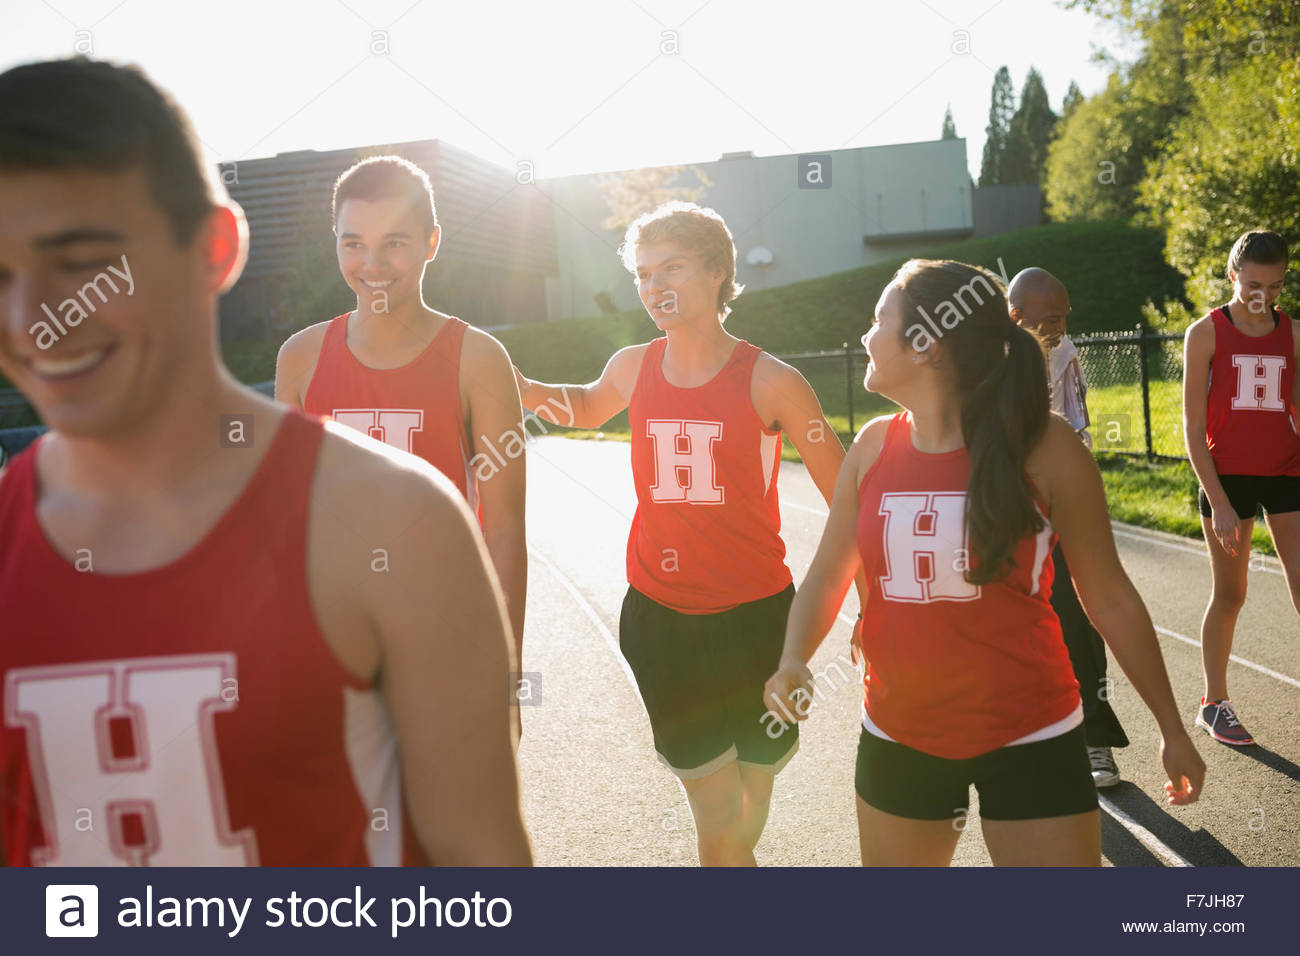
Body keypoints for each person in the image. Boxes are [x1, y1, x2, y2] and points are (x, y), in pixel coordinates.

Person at [0, 57, 531, 866]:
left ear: (213, 249)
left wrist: (499, 673)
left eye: (81, 264)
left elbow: (485, 881)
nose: (34, 319)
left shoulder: (404, 519)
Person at [765, 259, 1204, 866]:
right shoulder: (871, 448)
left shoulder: (1048, 447)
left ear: (927, 347)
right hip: (900, 736)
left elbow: (1110, 599)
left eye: (878, 321)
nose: (866, 337)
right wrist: (793, 660)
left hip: (1033, 732)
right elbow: (826, 576)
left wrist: (1172, 729)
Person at [514, 201, 863, 866]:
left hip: (760, 622)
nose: (654, 287)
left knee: (750, 799)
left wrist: (873, 601)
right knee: (717, 812)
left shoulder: (772, 381)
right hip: (661, 623)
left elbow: (847, 498)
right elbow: (588, 406)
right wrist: (525, 388)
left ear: (716, 273)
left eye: (670, 267)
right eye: (643, 274)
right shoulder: (633, 365)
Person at [275, 155, 527, 680]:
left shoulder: (478, 358)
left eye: (394, 242)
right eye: (353, 244)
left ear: (431, 243)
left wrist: (506, 674)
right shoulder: (300, 357)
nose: (372, 264)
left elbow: (503, 530)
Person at [1008, 267, 1130, 787]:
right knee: (1003, 622)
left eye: (1063, 317)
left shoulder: (1063, 351)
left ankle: (1093, 739)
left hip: (1052, 501)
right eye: (1051, 319)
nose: (1060, 327)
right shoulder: (978, 354)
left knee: (1077, 618)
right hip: (995, 505)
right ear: (1017, 318)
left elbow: (1075, 434)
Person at [1182, 230, 1300, 746]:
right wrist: (1222, 504)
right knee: (1231, 594)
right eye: (1254, 283)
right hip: (1226, 475)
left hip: (1287, 471)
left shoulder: (1294, 333)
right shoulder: (1204, 333)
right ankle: (1213, 703)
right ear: (1233, 275)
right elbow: (1191, 428)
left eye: (1275, 286)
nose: (1263, 295)